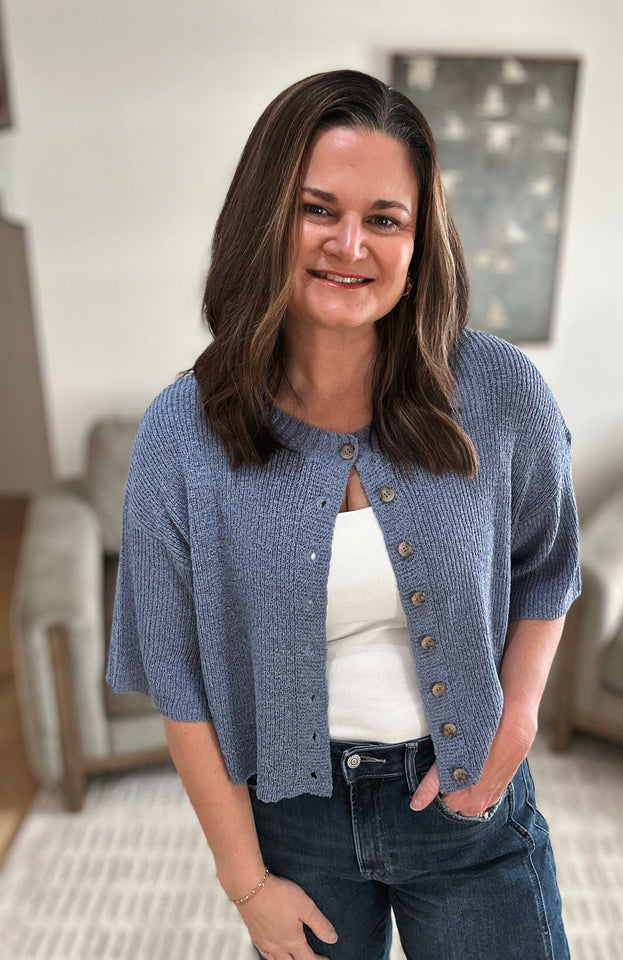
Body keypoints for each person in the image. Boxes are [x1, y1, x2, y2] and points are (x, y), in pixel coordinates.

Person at [107, 69, 581, 960]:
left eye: (385, 218)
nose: (349, 244)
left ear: (418, 239)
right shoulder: (184, 432)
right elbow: (180, 684)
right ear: (266, 217)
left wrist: (514, 725)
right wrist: (246, 885)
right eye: (317, 209)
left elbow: (548, 564)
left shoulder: (498, 392)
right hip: (297, 827)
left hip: (468, 812)